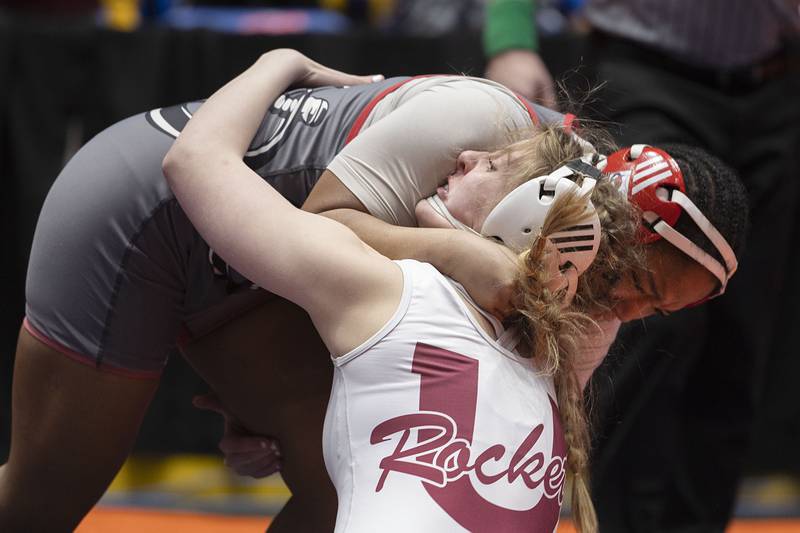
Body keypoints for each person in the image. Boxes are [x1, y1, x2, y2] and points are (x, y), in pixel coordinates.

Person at [0, 47, 643, 531]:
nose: (469, 159)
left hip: (249, 231)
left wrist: (277, 63)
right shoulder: (470, 283)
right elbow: (192, 169)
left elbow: (202, 169)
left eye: (492, 164)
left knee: (330, 485)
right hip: (161, 211)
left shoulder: (393, 284)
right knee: (41, 501)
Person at [483, 1, 800, 530]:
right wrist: (509, 36)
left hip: (777, 83)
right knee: (642, 319)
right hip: (650, 71)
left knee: (738, 339)